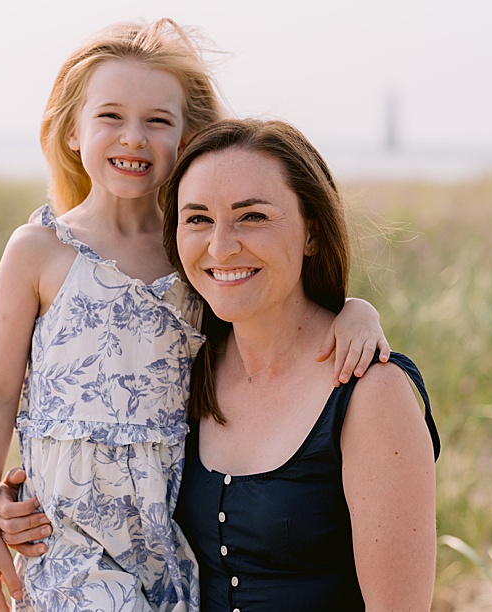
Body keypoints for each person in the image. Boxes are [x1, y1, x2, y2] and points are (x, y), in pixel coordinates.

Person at [0, 21, 390, 612]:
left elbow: (269, 324)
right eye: (110, 116)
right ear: (70, 131)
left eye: (158, 121)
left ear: (188, 135)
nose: (133, 138)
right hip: (67, 542)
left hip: (168, 539)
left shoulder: (196, 258)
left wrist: (356, 310)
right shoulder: (39, 251)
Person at [166, 119, 438, 609]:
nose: (221, 246)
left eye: (252, 217)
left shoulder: (371, 393)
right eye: (198, 219)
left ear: (312, 232)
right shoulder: (182, 366)